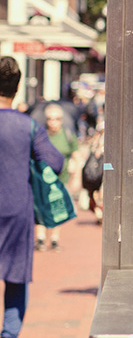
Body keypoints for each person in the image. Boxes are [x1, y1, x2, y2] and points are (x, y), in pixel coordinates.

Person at [0, 56, 66, 338]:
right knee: (15, 276)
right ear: (16, 88)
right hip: (16, 210)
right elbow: (55, 162)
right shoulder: (28, 126)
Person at [36, 106, 80, 250]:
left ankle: (55, 239)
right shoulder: (41, 134)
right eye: (49, 119)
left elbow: (76, 155)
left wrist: (77, 177)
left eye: (56, 119)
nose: (52, 122)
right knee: (41, 207)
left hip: (62, 178)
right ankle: (41, 238)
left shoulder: (67, 135)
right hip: (42, 178)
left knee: (58, 207)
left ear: (61, 120)